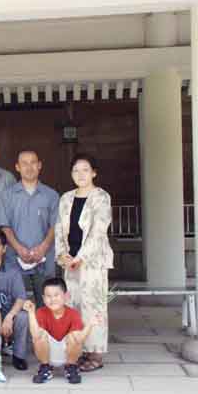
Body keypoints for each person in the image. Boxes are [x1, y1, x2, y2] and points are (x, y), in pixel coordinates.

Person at [55, 153, 113, 372]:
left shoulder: (101, 197)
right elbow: (59, 229)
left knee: (93, 306)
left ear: (94, 173)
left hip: (92, 262)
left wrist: (81, 257)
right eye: (76, 170)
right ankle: (78, 350)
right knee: (73, 306)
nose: (80, 174)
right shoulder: (66, 198)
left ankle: (95, 354)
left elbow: (98, 231)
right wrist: (63, 255)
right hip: (70, 261)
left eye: (85, 170)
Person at [0, 151, 59, 309]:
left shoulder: (51, 195)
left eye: (33, 162)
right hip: (14, 259)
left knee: (48, 306)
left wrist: (43, 247)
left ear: (39, 165)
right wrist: (19, 248)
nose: (29, 167)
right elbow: (4, 225)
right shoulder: (7, 195)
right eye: (24, 163)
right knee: (17, 306)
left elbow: (56, 225)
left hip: (44, 259)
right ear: (17, 167)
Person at [23, 278, 102, 384]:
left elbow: (79, 339)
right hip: (47, 354)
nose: (52, 299)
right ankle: (45, 367)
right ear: (43, 298)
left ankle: (71, 367)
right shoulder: (40, 312)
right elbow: (35, 335)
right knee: (40, 334)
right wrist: (31, 313)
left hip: (68, 354)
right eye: (48, 296)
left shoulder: (73, 314)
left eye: (56, 295)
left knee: (74, 336)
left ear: (66, 296)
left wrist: (90, 325)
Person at [0, 227, 30, 371]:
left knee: (23, 317)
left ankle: (18, 356)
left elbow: (21, 297)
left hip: (8, 316)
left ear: (4, 249)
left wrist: (9, 317)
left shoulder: (12, 271)